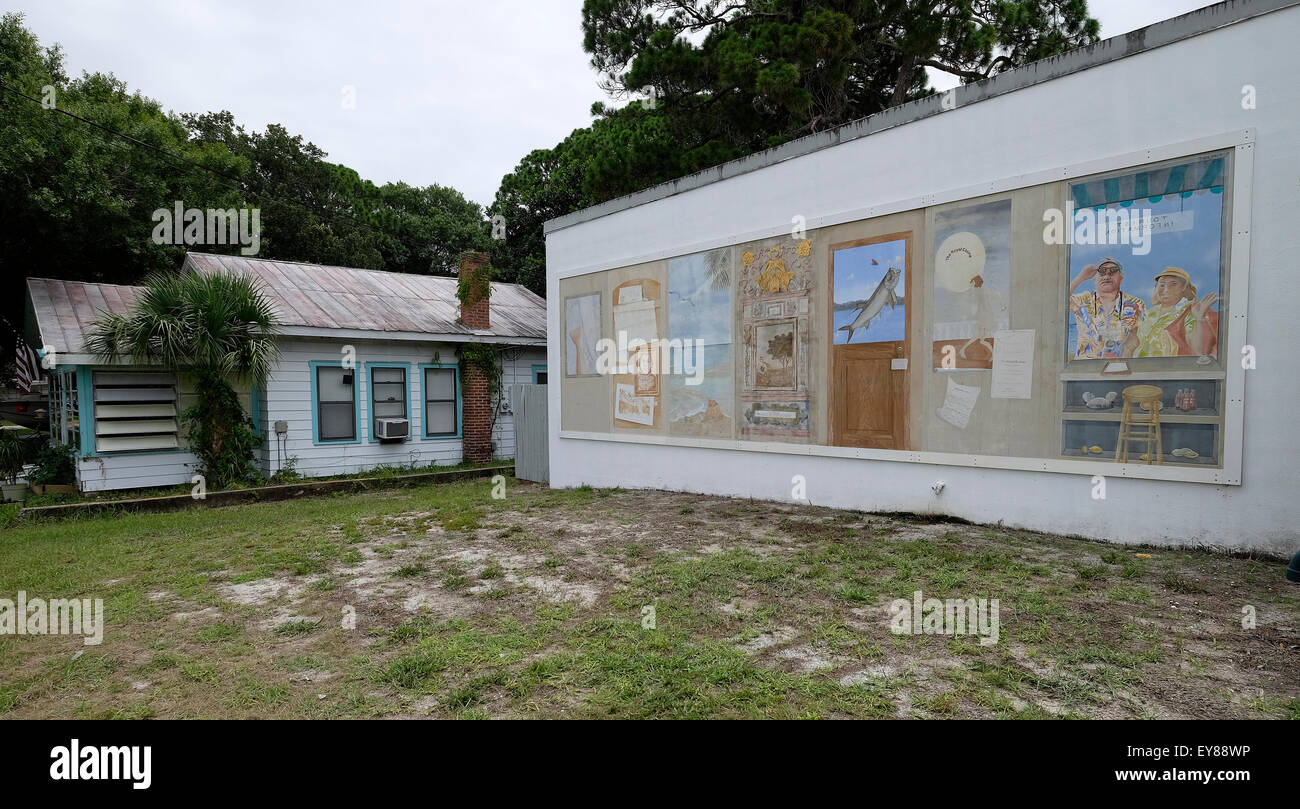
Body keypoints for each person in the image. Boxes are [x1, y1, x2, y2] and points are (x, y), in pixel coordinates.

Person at [1124, 267, 1218, 358]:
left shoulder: (1190, 311)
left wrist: (1200, 318)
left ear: (1184, 288)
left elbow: (1200, 351)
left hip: (1172, 370)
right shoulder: (1149, 313)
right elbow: (1132, 345)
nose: (1166, 289)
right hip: (1143, 369)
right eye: (1162, 285)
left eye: (1173, 284)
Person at [1068, 257, 1145, 359]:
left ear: (1121, 278)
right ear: (1095, 279)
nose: (1107, 276)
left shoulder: (1136, 304)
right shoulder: (1083, 300)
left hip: (1120, 367)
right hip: (1085, 367)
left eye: (1113, 271)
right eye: (1102, 272)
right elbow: (1057, 302)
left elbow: (1141, 336)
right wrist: (1081, 277)